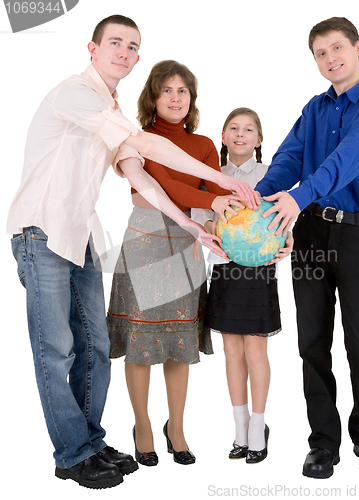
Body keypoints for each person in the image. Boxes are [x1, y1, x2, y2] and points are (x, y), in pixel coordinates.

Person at [6, 15, 257, 490]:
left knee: (97, 346)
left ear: (137, 58)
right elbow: (145, 148)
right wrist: (226, 180)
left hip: (77, 236)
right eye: (114, 42)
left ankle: (92, 441)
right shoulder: (75, 94)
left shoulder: (110, 106)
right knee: (55, 351)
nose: (123, 51)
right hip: (39, 231)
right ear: (93, 48)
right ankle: (72, 454)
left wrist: (188, 224)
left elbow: (140, 175)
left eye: (132, 46)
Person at [255, 17, 359, 478]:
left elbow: (350, 157)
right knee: (312, 341)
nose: (330, 59)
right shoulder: (314, 108)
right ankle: (322, 443)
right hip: (313, 234)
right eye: (320, 53)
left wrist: (299, 196)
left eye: (337, 48)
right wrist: (259, 204)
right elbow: (289, 159)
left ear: (358, 48)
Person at [107, 60, 245, 467]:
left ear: (192, 99)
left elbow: (214, 194)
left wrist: (224, 227)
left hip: (187, 244)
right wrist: (210, 200)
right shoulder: (137, 139)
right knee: (140, 343)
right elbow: (160, 186)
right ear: (152, 96)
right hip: (146, 241)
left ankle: (178, 428)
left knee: (178, 344)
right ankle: (143, 426)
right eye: (166, 90)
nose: (175, 97)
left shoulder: (203, 145)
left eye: (183, 90)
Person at [193, 108, 292, 464]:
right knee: (232, 350)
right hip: (223, 268)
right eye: (233, 128)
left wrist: (288, 238)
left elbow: (283, 218)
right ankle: (240, 428)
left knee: (255, 351)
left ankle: (258, 427)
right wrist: (211, 224)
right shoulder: (213, 176)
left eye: (249, 129)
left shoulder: (270, 175)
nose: (240, 134)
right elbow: (199, 215)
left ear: (259, 140)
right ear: (223, 136)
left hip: (259, 270)